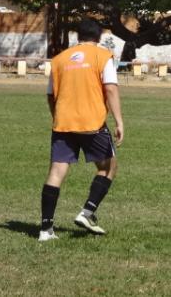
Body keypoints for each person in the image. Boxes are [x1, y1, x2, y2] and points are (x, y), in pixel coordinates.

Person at [38, 18, 124, 241]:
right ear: (99, 38)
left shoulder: (59, 60)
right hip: (92, 124)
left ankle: (46, 229)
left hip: (63, 124)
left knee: (56, 173)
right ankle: (87, 212)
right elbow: (111, 89)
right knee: (108, 167)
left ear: (78, 36)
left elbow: (50, 95)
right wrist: (119, 121)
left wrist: (57, 116)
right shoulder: (103, 56)